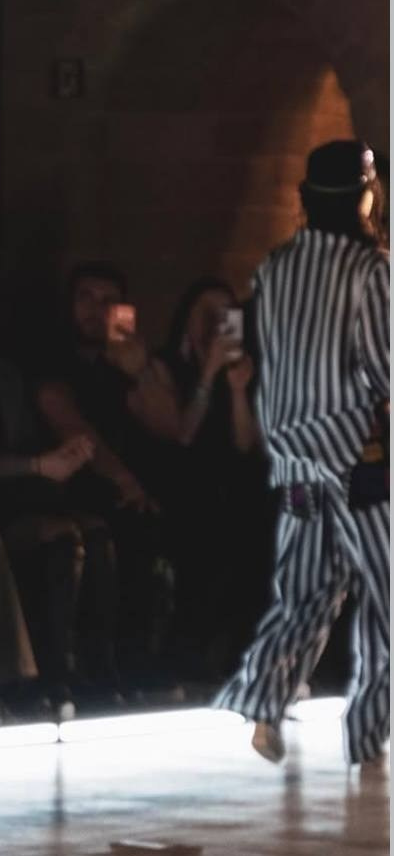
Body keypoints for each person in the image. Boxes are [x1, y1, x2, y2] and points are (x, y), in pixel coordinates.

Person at [215, 140, 389, 766]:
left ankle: (263, 702)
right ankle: (367, 732)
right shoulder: (372, 270)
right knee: (387, 595)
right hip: (361, 456)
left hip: (293, 456)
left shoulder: (275, 266)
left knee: (305, 591)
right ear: (365, 195)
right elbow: (384, 366)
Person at [0, 280, 117, 706]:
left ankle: (97, 666)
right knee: (61, 540)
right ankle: (52, 671)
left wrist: (59, 458)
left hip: (17, 495)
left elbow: (25, 442)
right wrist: (37, 466)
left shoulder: (6, 374)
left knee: (96, 532)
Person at [36, 262, 181, 686]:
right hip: (76, 485)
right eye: (86, 298)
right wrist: (125, 482)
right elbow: (69, 423)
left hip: (141, 484)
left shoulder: (132, 363)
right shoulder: (54, 360)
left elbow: (171, 428)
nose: (95, 310)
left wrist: (140, 372)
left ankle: (152, 660)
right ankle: (103, 669)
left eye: (108, 301)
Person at [156, 278, 271, 680]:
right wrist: (207, 371)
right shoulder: (166, 366)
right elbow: (184, 433)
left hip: (234, 486)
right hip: (180, 482)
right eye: (206, 313)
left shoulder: (241, 369)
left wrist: (237, 389)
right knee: (212, 527)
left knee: (260, 517)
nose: (214, 323)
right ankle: (186, 663)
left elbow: (245, 444)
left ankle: (244, 660)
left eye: (225, 314)